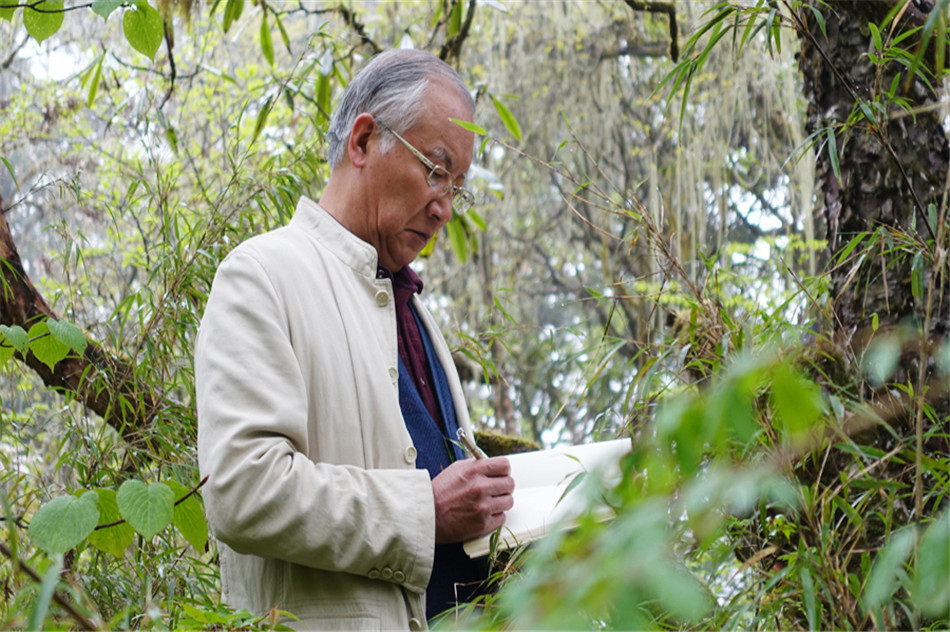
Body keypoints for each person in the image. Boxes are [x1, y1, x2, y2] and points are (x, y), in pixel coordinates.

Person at [195, 48, 515, 631]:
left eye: (458, 186)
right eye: (436, 169)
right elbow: (242, 491)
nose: (445, 208)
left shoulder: (414, 312)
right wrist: (426, 511)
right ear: (363, 141)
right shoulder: (261, 274)